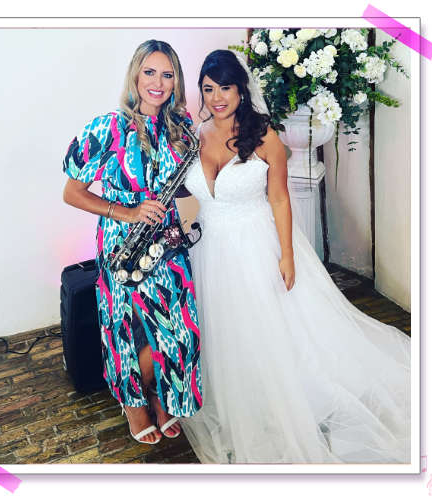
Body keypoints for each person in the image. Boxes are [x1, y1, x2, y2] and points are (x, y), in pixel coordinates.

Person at [180, 49, 411, 464]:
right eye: (208, 89)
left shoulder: (263, 134)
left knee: (275, 327)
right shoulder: (193, 135)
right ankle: (242, 396)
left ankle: (291, 396)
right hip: (211, 250)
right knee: (228, 329)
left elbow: (281, 199)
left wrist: (287, 255)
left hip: (256, 243)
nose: (217, 97)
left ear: (241, 89)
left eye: (225, 88)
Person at [62, 40, 202, 445]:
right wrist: (128, 212)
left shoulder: (182, 126)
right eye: (150, 72)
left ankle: (160, 394)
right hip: (122, 243)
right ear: (135, 76)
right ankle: (134, 404)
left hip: (167, 244)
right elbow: (72, 193)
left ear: (176, 81)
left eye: (168, 74)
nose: (158, 83)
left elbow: (186, 186)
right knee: (125, 330)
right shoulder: (106, 126)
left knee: (179, 333)